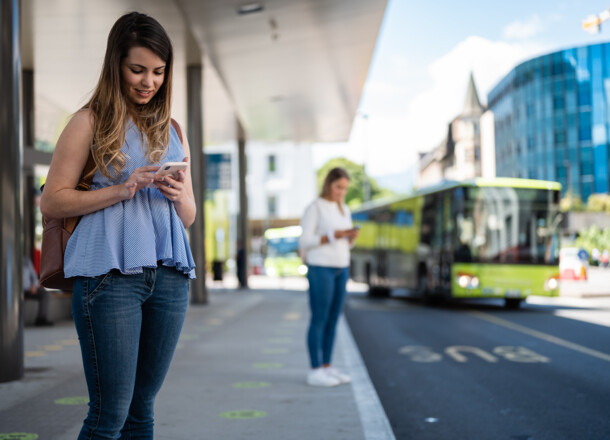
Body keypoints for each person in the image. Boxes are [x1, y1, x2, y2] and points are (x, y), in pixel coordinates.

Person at [39, 12, 196, 439]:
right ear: (116, 66)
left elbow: (188, 216)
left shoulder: (173, 129)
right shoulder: (88, 121)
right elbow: (52, 199)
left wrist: (176, 192)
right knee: (109, 415)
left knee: (142, 411)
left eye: (159, 72)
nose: (149, 82)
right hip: (109, 277)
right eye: (138, 70)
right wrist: (123, 189)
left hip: (169, 278)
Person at [299, 167, 359, 387]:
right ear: (328, 184)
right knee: (319, 318)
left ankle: (327, 366)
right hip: (320, 268)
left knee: (334, 319)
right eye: (338, 187)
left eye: (344, 188)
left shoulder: (344, 209)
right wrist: (335, 235)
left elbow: (346, 243)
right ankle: (315, 370)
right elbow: (304, 242)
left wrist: (350, 237)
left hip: (341, 268)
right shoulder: (315, 208)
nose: (341, 192)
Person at [23, 256, 54, 326]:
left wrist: (34, 285)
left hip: (28, 289)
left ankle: (41, 318)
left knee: (45, 293)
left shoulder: (26, 261)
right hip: (14, 291)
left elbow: (34, 276)